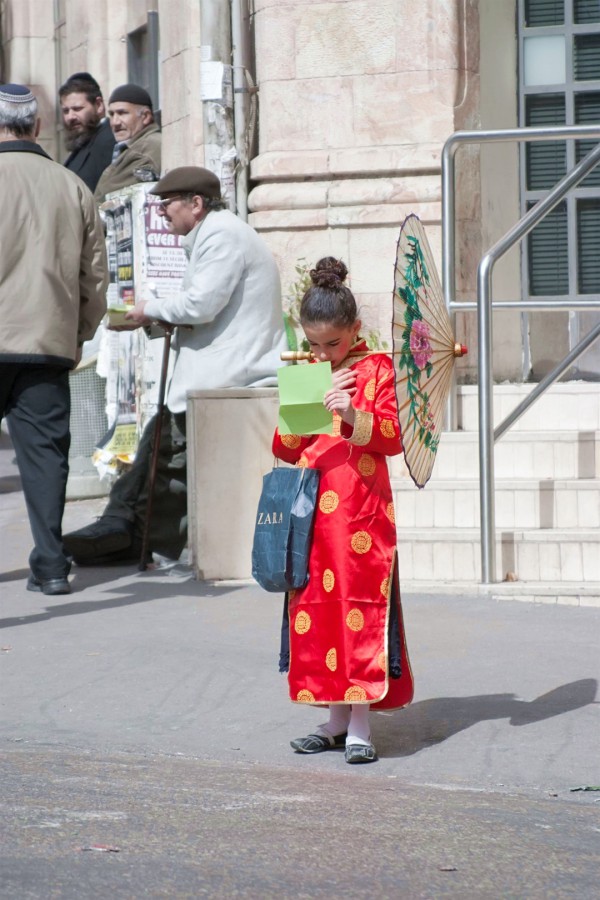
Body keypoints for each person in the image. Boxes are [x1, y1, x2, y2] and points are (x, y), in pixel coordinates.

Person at [63, 166, 287, 565]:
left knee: (164, 459)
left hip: (227, 375)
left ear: (196, 204)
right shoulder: (216, 234)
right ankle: (132, 533)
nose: (163, 212)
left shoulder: (221, 236)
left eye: (167, 204)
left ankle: (131, 535)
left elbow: (200, 304)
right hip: (216, 371)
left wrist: (149, 309)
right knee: (159, 454)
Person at [272, 257, 414, 764]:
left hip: (360, 515)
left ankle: (359, 724)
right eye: (314, 343)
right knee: (313, 612)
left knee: (357, 610)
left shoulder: (376, 369)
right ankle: (332, 719)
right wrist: (293, 408)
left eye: (332, 343)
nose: (323, 353)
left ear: (355, 330)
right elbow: (288, 448)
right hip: (310, 514)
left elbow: (393, 438)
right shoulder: (308, 370)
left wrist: (352, 414)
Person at [0, 83, 108, 595]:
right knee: (46, 458)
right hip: (46, 342)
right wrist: (79, 333)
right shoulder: (72, 186)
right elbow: (95, 277)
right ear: (37, 127)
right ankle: (49, 564)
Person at [94, 83, 161, 202]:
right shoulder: (133, 147)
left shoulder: (148, 148)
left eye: (122, 113)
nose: (115, 122)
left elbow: (107, 195)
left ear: (145, 116)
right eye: (111, 114)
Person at [59, 72, 115, 192]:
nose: (70, 117)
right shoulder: (83, 143)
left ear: (99, 105)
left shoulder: (109, 140)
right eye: (65, 111)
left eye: (77, 109)